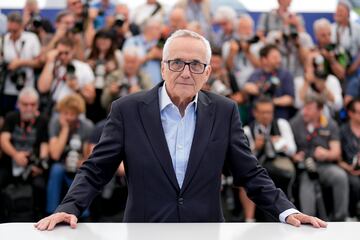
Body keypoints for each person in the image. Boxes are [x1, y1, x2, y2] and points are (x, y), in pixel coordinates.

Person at [35, 29, 326, 230]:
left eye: (196, 64)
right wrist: (68, 208)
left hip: (206, 232)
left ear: (208, 72)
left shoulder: (225, 111)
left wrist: (287, 211)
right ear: (162, 68)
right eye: (176, 63)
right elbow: (96, 169)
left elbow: (249, 172)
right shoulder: (127, 109)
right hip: (144, 232)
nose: (186, 72)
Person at [290, 95, 349, 221]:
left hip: (324, 166)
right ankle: (308, 222)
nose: (304, 111)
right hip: (305, 168)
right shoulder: (296, 123)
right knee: (307, 189)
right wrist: (295, 156)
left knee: (340, 176)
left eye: (309, 108)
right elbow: (288, 147)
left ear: (320, 109)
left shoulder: (329, 124)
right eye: (304, 107)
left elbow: (336, 152)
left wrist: (326, 154)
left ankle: (340, 219)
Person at [0, 87, 49, 219]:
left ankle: (39, 217)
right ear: (18, 104)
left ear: (37, 105)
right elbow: (3, 140)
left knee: (40, 185)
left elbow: (45, 146)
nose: (28, 108)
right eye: (25, 104)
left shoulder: (42, 121)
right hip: (10, 163)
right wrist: (15, 155)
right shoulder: (11, 117)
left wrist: (40, 165)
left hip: (32, 166)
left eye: (32, 104)